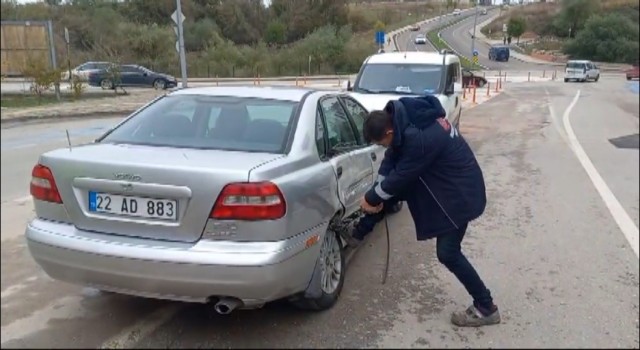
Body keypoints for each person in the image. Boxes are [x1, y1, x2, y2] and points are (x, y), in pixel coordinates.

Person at [359, 95, 500, 327]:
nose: (382, 148)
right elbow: (391, 161)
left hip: (460, 194)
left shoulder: (418, 140)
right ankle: (484, 303)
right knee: (448, 251)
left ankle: (486, 307)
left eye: (380, 143)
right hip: (455, 185)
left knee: (448, 253)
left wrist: (372, 198)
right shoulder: (404, 122)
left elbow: (402, 176)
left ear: (388, 133)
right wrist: (376, 192)